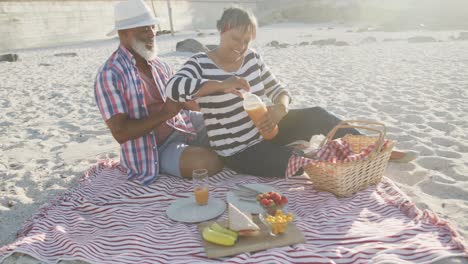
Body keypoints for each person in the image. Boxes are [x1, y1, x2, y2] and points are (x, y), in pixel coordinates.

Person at [165, 7, 417, 177]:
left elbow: (278, 90)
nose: (241, 47)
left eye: (246, 41)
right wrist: (221, 84)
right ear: (222, 31)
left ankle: (375, 149)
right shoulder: (199, 63)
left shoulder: (252, 58)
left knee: (317, 115)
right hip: (238, 151)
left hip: (266, 130)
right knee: (298, 161)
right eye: (235, 39)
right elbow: (172, 89)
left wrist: (280, 108)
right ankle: (344, 161)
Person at [94, 0, 223, 185]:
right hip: (154, 148)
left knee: (231, 126)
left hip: (183, 124)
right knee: (206, 163)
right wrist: (166, 113)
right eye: (144, 29)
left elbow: (184, 101)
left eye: (153, 27)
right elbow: (120, 132)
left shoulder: (158, 64)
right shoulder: (110, 74)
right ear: (123, 33)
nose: (152, 33)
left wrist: (215, 106)